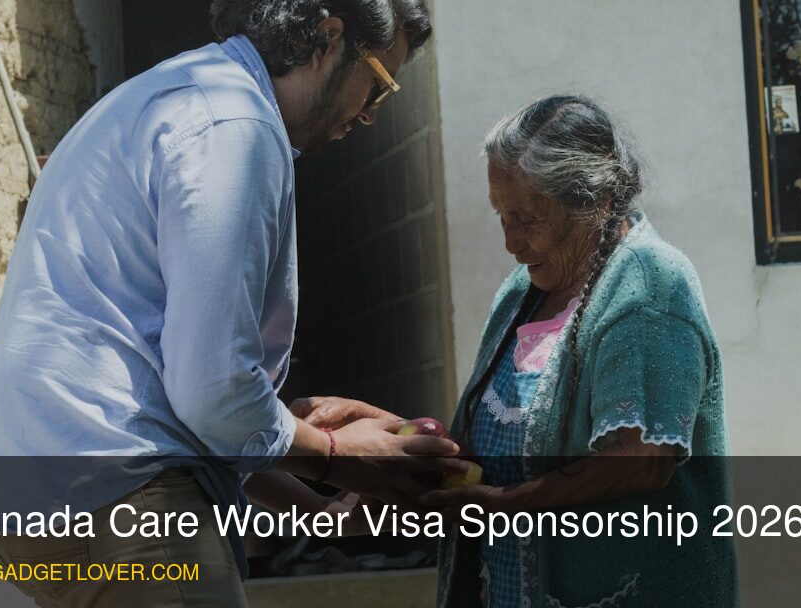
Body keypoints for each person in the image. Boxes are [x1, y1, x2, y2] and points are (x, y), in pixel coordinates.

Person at [0, 1, 462, 606]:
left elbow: (191, 399)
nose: (371, 112)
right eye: (378, 81)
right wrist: (342, 458)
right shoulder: (234, 128)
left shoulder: (169, 95)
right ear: (327, 37)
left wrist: (319, 506)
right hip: (117, 493)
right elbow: (212, 392)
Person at [304, 96, 739, 606]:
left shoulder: (647, 286)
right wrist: (392, 434)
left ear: (592, 203)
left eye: (528, 219)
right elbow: (499, 457)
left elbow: (642, 459)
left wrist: (511, 505)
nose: (512, 241)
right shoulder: (520, 294)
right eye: (502, 216)